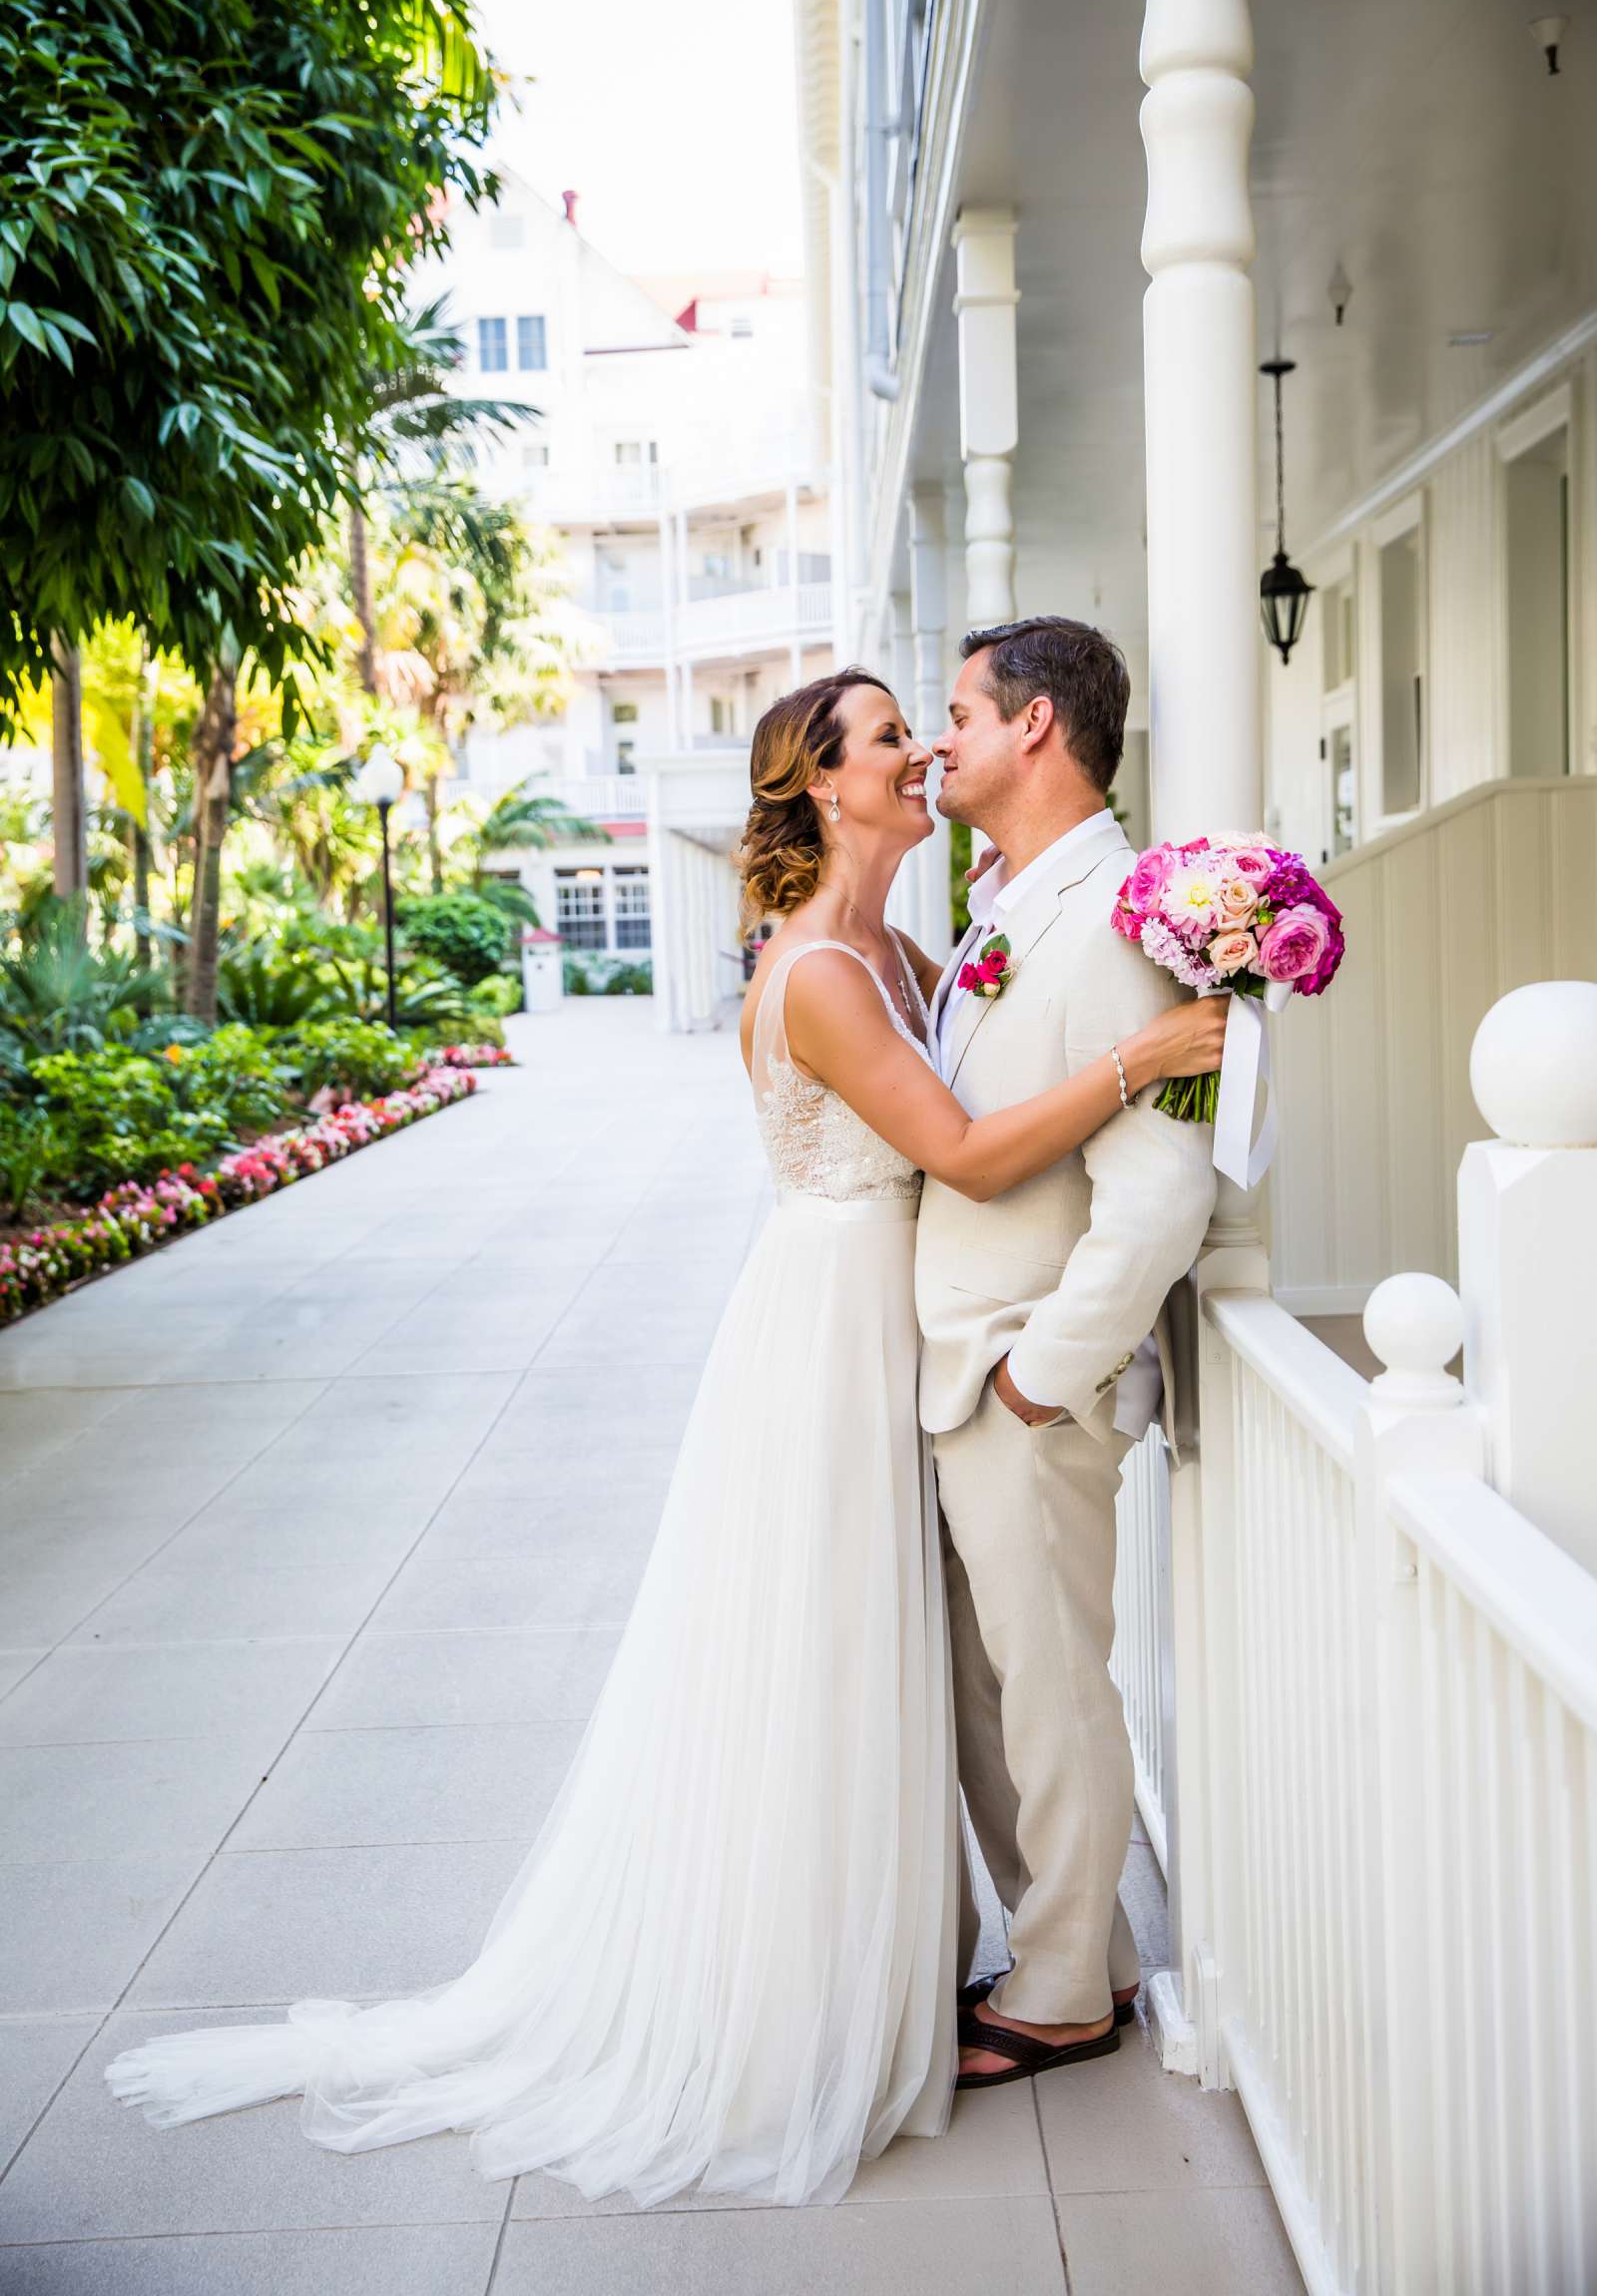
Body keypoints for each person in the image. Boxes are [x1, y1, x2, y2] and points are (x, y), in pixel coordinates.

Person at [107, 666, 1225, 2205]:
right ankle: (821, 1984)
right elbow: (961, 1153)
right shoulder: (825, 970)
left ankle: (992, 1962)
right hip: (833, 1328)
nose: (917, 752)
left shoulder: (917, 943)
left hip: (910, 1329)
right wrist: (1136, 1063)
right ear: (822, 786)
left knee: (924, 1659)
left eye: (927, 726)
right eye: (891, 737)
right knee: (835, 1648)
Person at [915, 618, 1218, 2091]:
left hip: (1023, 1385)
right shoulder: (1008, 901)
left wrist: (1047, 1376)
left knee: (1050, 1689)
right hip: (966, 1374)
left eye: (960, 710)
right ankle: (1071, 1947)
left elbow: (1160, 1191)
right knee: (990, 1693)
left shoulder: (1116, 915)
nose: (936, 738)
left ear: (1036, 727)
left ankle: (1063, 1996)